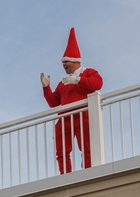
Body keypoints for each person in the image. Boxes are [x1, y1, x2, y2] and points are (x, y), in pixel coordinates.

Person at [41, 28, 103, 174]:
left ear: (75, 61)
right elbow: (53, 102)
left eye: (66, 61)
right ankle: (65, 175)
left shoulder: (88, 72)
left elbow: (98, 83)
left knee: (87, 148)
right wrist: (46, 87)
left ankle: (89, 172)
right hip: (65, 119)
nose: (63, 64)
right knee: (61, 151)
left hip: (83, 116)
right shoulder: (63, 83)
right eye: (63, 62)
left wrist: (78, 80)